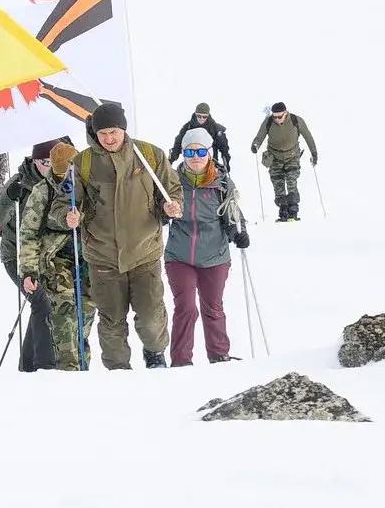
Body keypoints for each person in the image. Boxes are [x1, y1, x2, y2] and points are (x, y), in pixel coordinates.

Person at [60, 102, 183, 369]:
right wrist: (69, 215)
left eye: (113, 132)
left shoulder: (150, 155)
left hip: (144, 252)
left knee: (150, 317)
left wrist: (171, 205)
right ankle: (117, 370)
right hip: (103, 257)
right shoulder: (82, 163)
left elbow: (171, 190)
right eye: (102, 133)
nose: (109, 139)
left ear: (124, 130)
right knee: (111, 321)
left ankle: (155, 354)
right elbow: (67, 202)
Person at [165, 127, 250, 366]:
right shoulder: (172, 181)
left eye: (201, 151)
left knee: (213, 308)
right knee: (186, 307)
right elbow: (156, 214)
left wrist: (239, 233)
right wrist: (165, 211)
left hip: (215, 256)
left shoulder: (222, 183)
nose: (195, 157)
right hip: (179, 256)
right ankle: (181, 361)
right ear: (183, 153)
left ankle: (219, 356)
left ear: (209, 153)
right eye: (189, 152)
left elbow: (232, 215)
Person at [18, 143, 96, 371]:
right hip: (54, 260)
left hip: (87, 258)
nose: (65, 179)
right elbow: (29, 233)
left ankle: (82, 364)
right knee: (64, 310)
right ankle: (67, 367)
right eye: (60, 173)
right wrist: (29, 271)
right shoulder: (43, 191)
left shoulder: (90, 186)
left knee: (86, 312)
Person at [0, 140, 64, 371]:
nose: (49, 168)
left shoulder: (63, 181)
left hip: (48, 256)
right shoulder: (20, 182)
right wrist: (8, 198)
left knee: (46, 304)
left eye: (53, 162)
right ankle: (45, 365)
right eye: (44, 162)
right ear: (34, 161)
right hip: (16, 255)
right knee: (42, 301)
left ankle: (27, 366)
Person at [251, 101, 318, 222]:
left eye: (279, 116)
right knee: (278, 183)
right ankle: (283, 210)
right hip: (274, 157)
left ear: (285, 113)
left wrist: (314, 153)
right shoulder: (268, 122)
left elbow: (308, 137)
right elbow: (260, 136)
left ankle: (293, 209)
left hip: (292, 156)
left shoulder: (296, 120)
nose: (276, 119)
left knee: (292, 181)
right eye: (274, 117)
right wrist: (255, 145)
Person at [170, 102, 231, 172]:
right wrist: (171, 159)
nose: (201, 118)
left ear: (208, 116)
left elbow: (224, 148)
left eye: (204, 117)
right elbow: (178, 145)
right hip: (191, 162)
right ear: (195, 114)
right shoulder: (187, 128)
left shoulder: (215, 129)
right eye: (199, 116)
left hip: (210, 163)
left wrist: (226, 163)